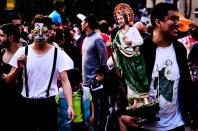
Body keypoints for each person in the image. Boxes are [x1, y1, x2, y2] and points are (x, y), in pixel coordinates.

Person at [119, 3, 196, 131]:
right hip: (147, 126)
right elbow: (127, 82)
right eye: (173, 19)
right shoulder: (141, 50)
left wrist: (193, 113)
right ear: (158, 22)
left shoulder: (179, 49)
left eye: (177, 19)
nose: (178, 23)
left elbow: (186, 83)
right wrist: (122, 113)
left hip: (176, 125)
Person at [4, 16, 74, 131]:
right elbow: (8, 82)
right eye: (37, 31)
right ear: (32, 32)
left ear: (50, 32)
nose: (40, 35)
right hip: (26, 104)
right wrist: (18, 68)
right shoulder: (22, 52)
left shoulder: (58, 53)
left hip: (48, 105)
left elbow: (65, 81)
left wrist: (70, 105)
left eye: (44, 31)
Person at [112, 4, 149, 105]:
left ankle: (145, 99)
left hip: (135, 58)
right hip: (125, 60)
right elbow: (116, 45)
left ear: (126, 19)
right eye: (118, 19)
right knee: (129, 80)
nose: (119, 21)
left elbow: (140, 41)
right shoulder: (118, 34)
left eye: (121, 18)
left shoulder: (133, 30)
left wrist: (131, 43)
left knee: (139, 78)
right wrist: (112, 44)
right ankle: (134, 101)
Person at [0, 23, 22, 130]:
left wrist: (7, 77)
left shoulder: (25, 54)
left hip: (21, 103)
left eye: (2, 35)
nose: (0, 39)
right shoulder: (0, 53)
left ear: (11, 37)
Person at [79, 14, 108, 87]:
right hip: (86, 82)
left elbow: (103, 61)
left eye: (83, 22)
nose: (81, 23)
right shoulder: (86, 39)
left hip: (94, 83)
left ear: (87, 24)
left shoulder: (98, 39)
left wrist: (98, 78)